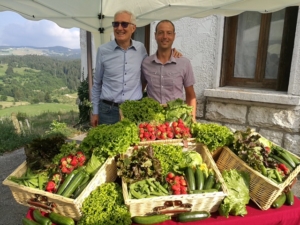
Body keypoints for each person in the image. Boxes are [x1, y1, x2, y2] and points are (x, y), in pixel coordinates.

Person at [91, 11, 182, 126]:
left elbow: (152, 64)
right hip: (108, 111)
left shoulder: (141, 49)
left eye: (124, 24)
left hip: (133, 110)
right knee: (108, 143)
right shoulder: (103, 51)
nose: (119, 28)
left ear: (133, 28)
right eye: (116, 24)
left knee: (133, 143)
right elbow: (97, 83)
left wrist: (172, 53)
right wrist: (95, 111)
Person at [141, 20, 197, 120]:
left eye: (169, 33)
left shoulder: (184, 63)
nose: (165, 37)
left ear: (174, 36)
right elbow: (139, 90)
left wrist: (192, 119)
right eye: (161, 32)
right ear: (155, 35)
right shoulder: (146, 63)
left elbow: (190, 95)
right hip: (152, 120)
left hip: (176, 119)